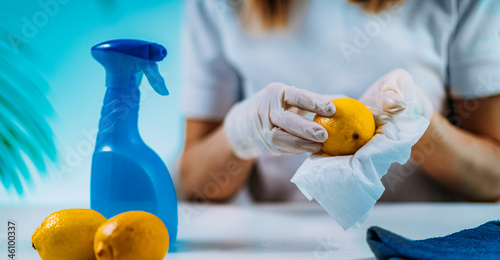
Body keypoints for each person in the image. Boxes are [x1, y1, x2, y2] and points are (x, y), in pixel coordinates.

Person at [178, 0, 500, 203]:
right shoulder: (217, 5)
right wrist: (242, 132)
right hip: (274, 250)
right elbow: (192, 184)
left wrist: (421, 126)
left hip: (420, 248)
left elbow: (493, 176)